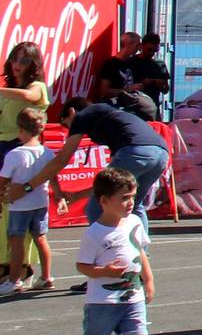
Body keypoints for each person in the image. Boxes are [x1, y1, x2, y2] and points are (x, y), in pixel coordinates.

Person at [5, 60, 170, 228]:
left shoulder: (82, 116)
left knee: (96, 208)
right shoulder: (106, 117)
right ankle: (140, 252)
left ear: (71, 112)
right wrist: (76, 196)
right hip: (160, 152)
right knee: (133, 205)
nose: (71, 132)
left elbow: (61, 160)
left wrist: (26, 188)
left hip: (135, 151)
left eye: (66, 125)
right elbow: (107, 184)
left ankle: (106, 250)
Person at [60, 167, 157, 335]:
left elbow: (140, 251)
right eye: (124, 198)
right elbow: (82, 266)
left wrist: (149, 279)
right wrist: (103, 272)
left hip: (132, 296)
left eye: (132, 197)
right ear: (104, 201)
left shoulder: (134, 222)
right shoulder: (95, 233)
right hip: (103, 301)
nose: (130, 203)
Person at [1, 43, 54, 295]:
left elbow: (30, 97)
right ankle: (12, 265)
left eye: (23, 60)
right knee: (7, 212)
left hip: (20, 148)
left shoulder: (37, 87)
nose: (17, 64)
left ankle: (23, 269)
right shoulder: (7, 88)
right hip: (4, 145)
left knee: (17, 213)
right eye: (15, 59)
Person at [5, 109, 54, 296]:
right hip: (40, 202)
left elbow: (3, 179)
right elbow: (53, 176)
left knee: (16, 242)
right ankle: (47, 277)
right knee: (40, 238)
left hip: (20, 205)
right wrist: (59, 197)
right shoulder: (47, 152)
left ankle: (14, 280)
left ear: (20, 129)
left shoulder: (16, 154)